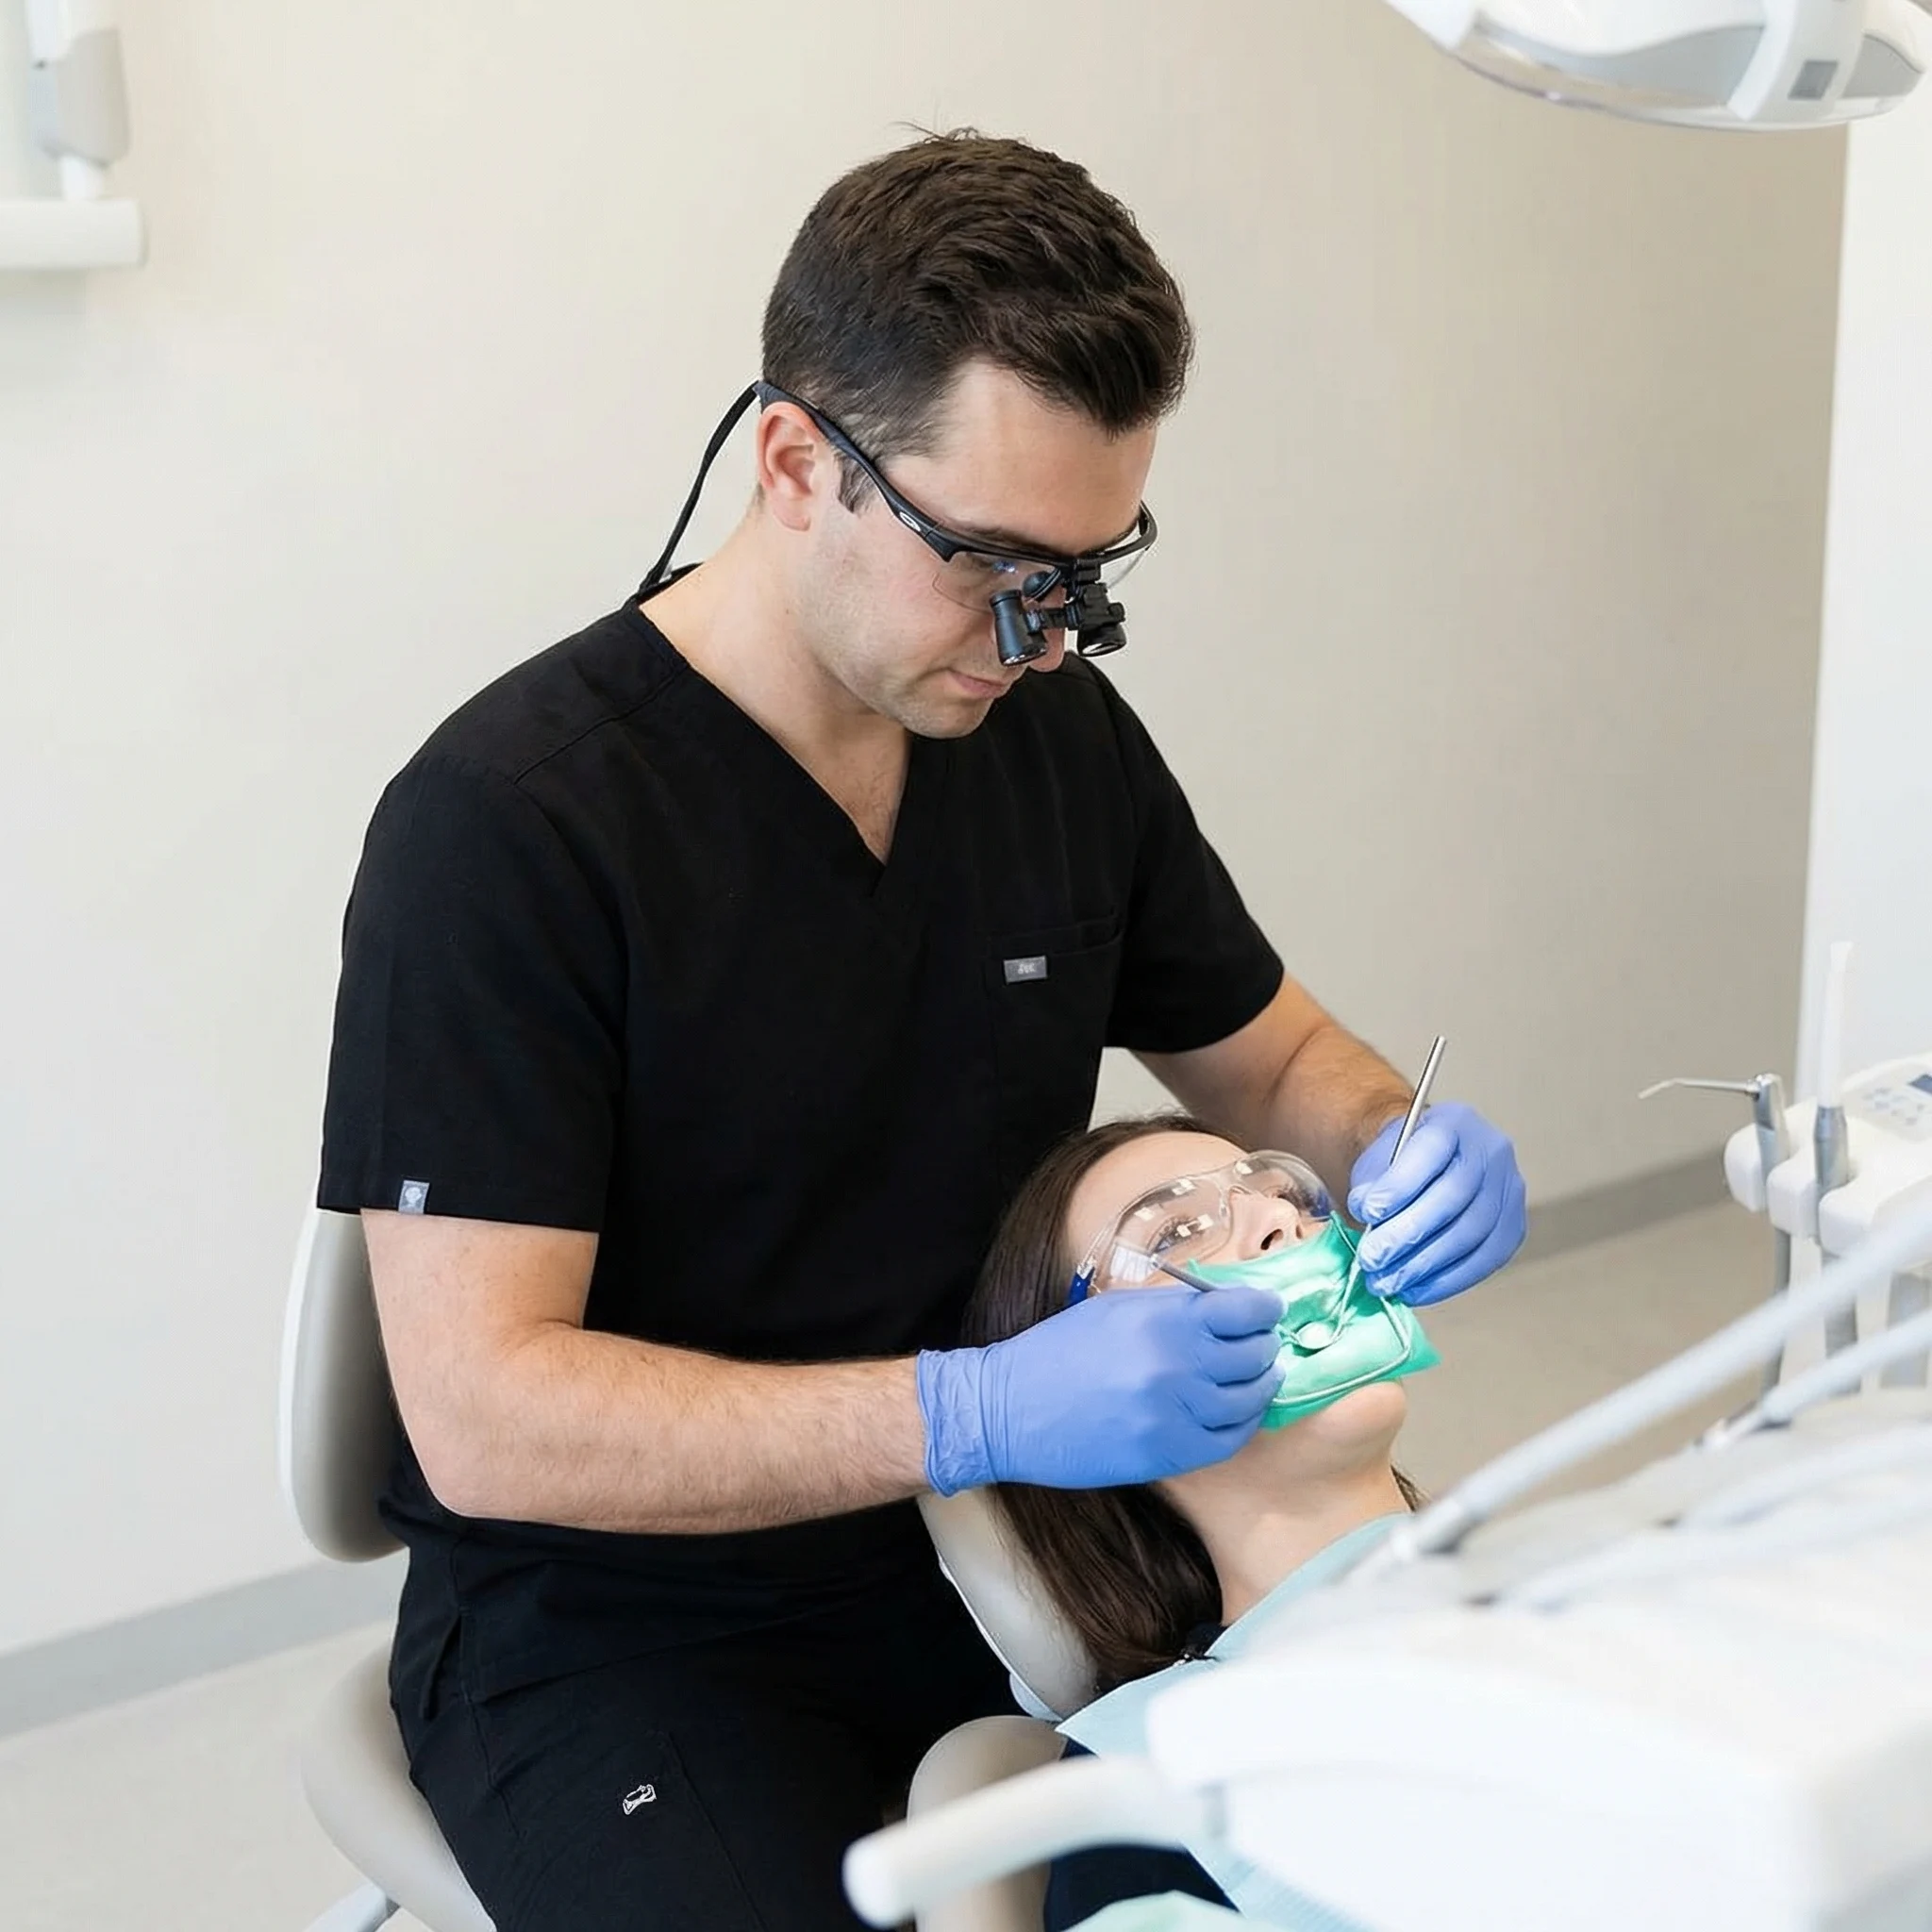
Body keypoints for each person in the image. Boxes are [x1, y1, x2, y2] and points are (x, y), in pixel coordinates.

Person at [317, 129, 1526, 1931]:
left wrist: (1394, 1143)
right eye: (990, 564)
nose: (1040, 637)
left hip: (1029, 1547)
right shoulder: (512, 829)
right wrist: (966, 1407)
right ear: (797, 461)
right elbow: (490, 1416)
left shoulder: (1049, 744)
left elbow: (1276, 1064)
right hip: (631, 1632)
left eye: (1089, 574)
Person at [963, 1112, 1437, 1927]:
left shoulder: (1579, 1577)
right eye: (1177, 1230)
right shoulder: (1150, 1780)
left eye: (1289, 1196)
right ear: (1092, 1407)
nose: (1280, 1222)